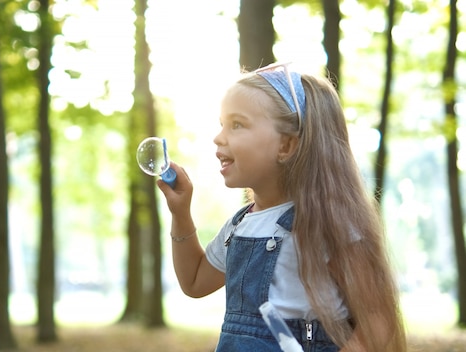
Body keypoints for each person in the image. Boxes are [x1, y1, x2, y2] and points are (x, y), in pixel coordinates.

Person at [157, 63, 407, 352]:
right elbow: (195, 282)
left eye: (237, 124)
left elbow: (378, 317)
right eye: (222, 124)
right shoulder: (240, 225)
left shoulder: (325, 225)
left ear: (286, 146)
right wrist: (180, 213)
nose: (218, 137)